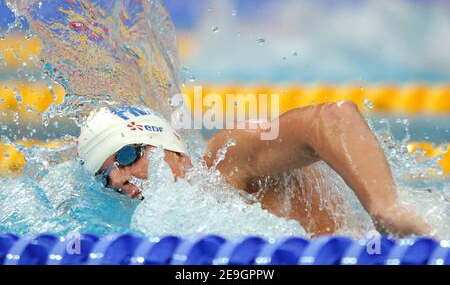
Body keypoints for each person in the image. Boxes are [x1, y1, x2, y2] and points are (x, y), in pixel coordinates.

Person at [77, 102, 432, 237]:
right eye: (108, 177)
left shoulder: (227, 161)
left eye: (126, 155)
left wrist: (385, 207)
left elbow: (333, 117)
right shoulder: (162, 229)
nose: (121, 178)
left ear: (173, 149)